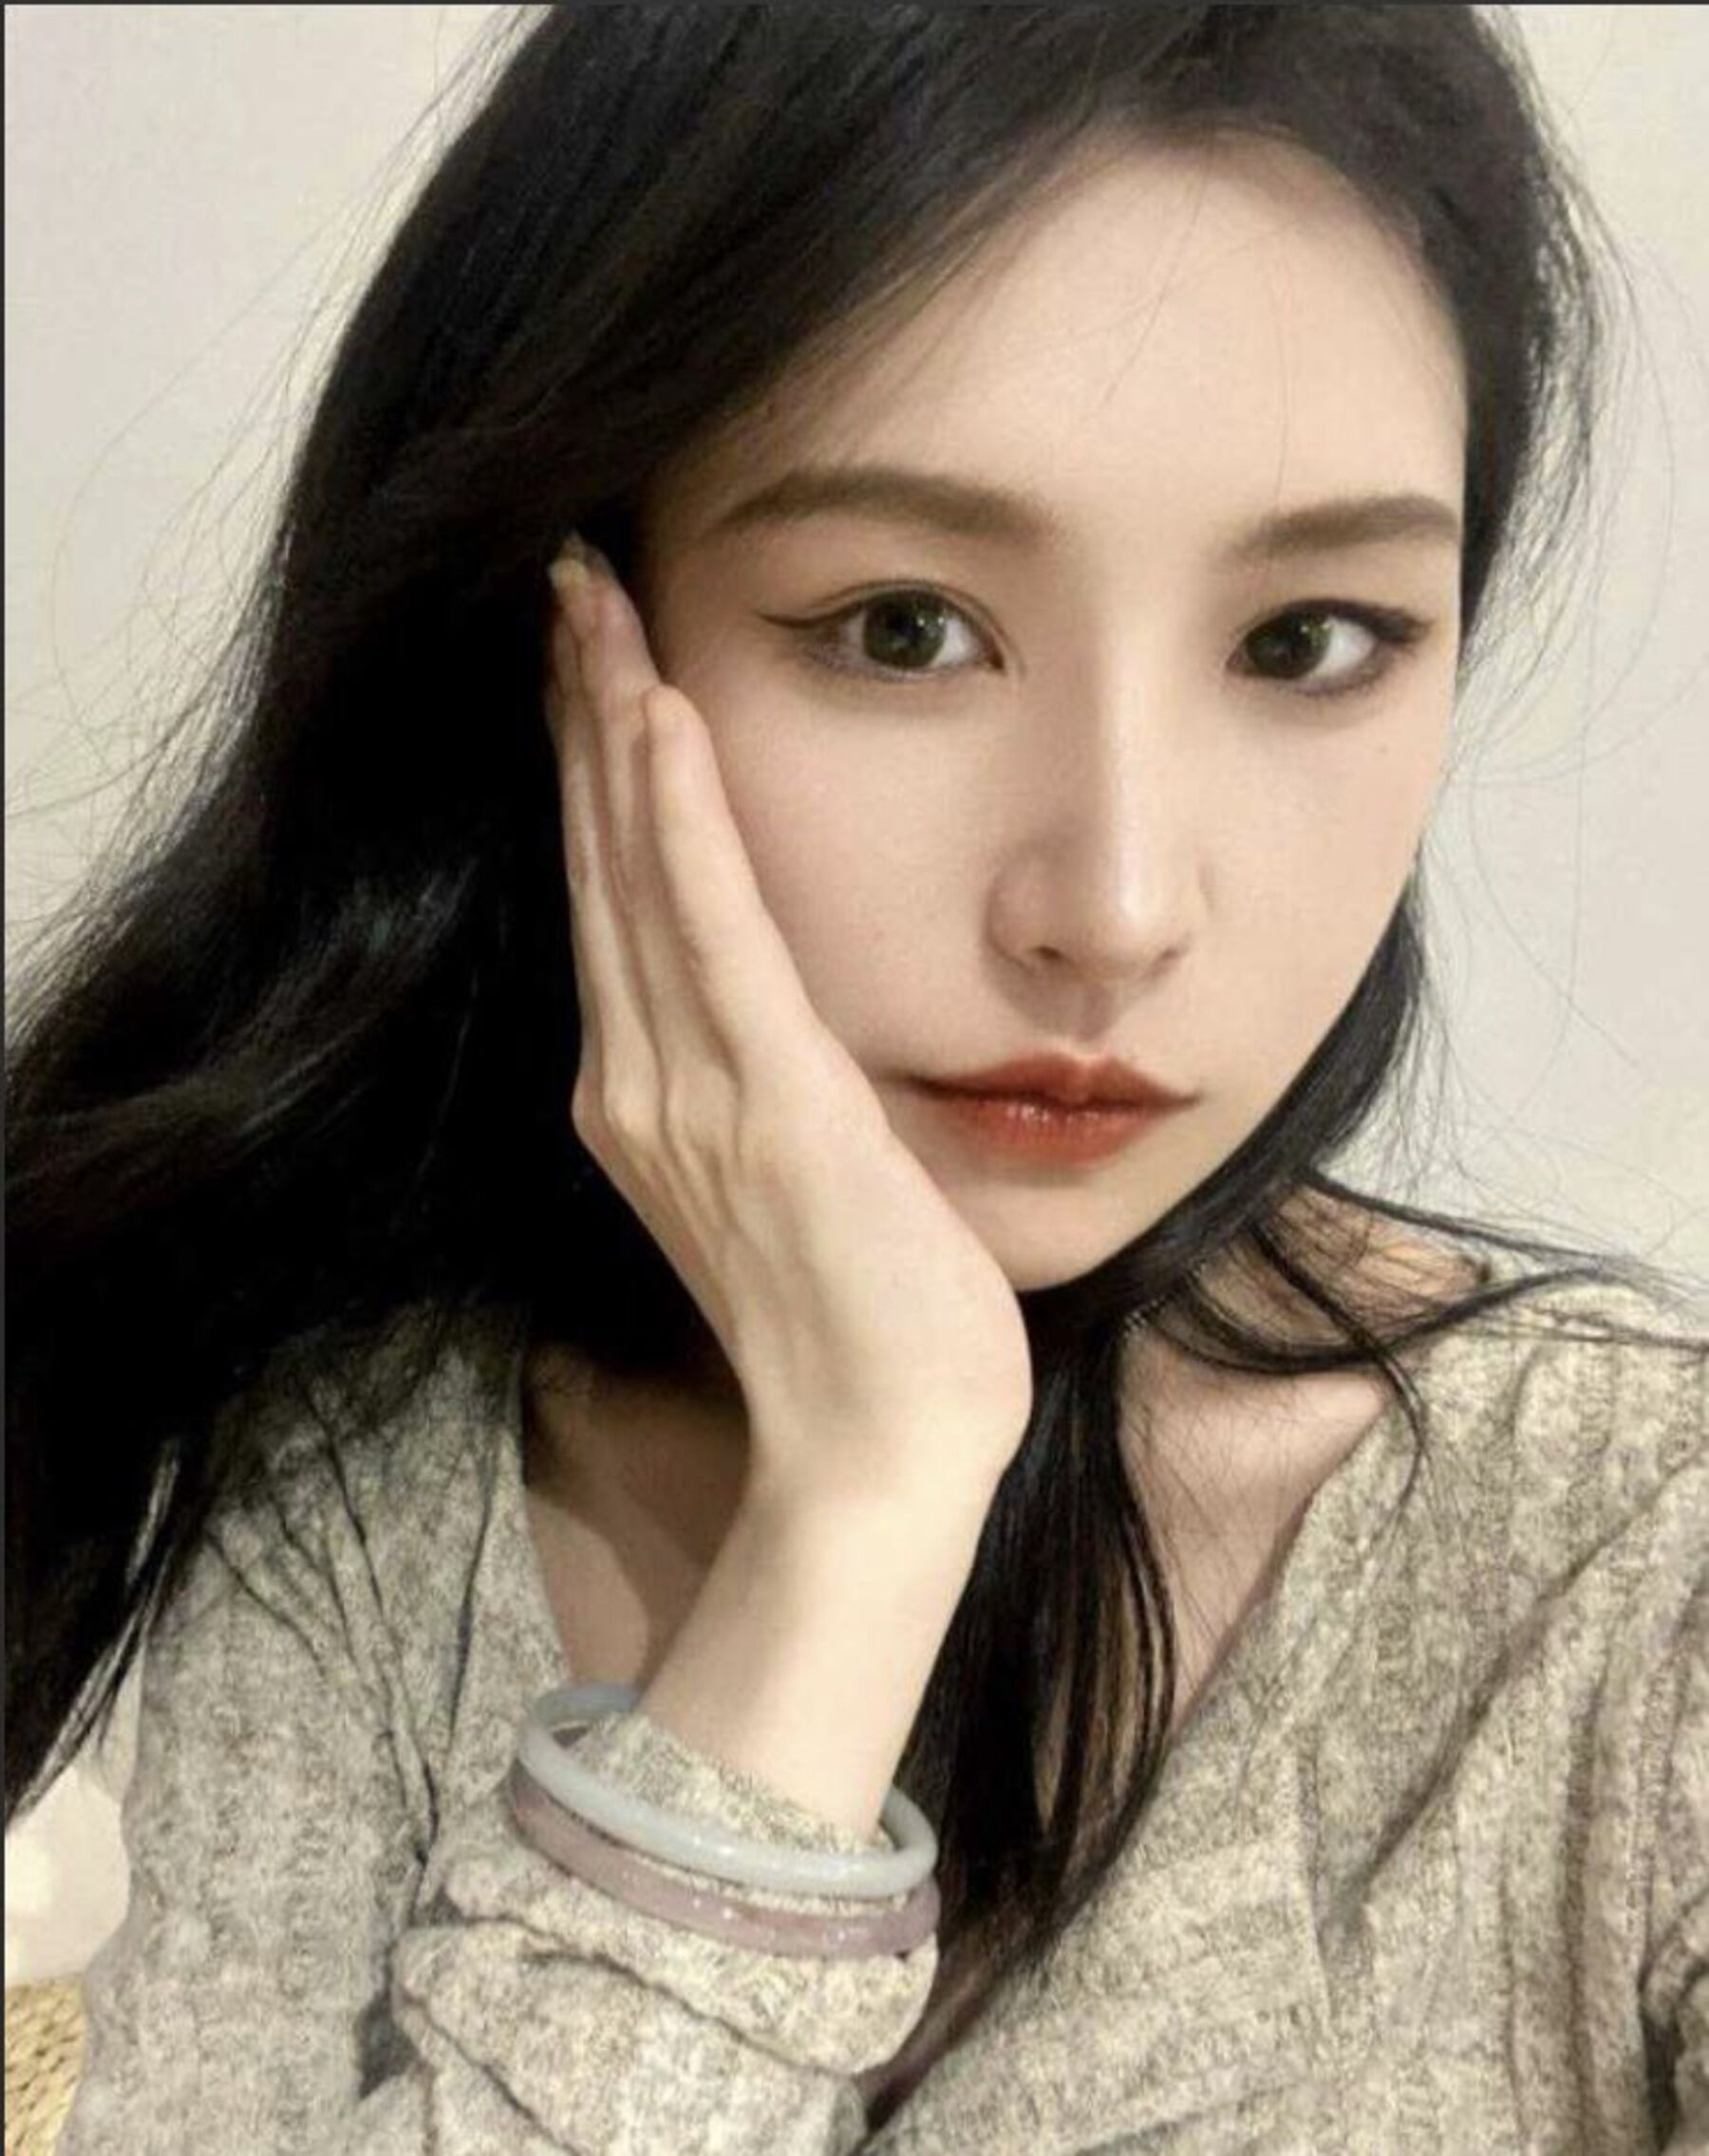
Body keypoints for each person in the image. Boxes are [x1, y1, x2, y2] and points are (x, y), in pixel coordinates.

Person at [7, 6, 1704, 2150]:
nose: (1115, 905)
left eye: (1306, 641)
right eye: (905, 625)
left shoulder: (1638, 1577)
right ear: (564, 634)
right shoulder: (258, 1491)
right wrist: (862, 1512)